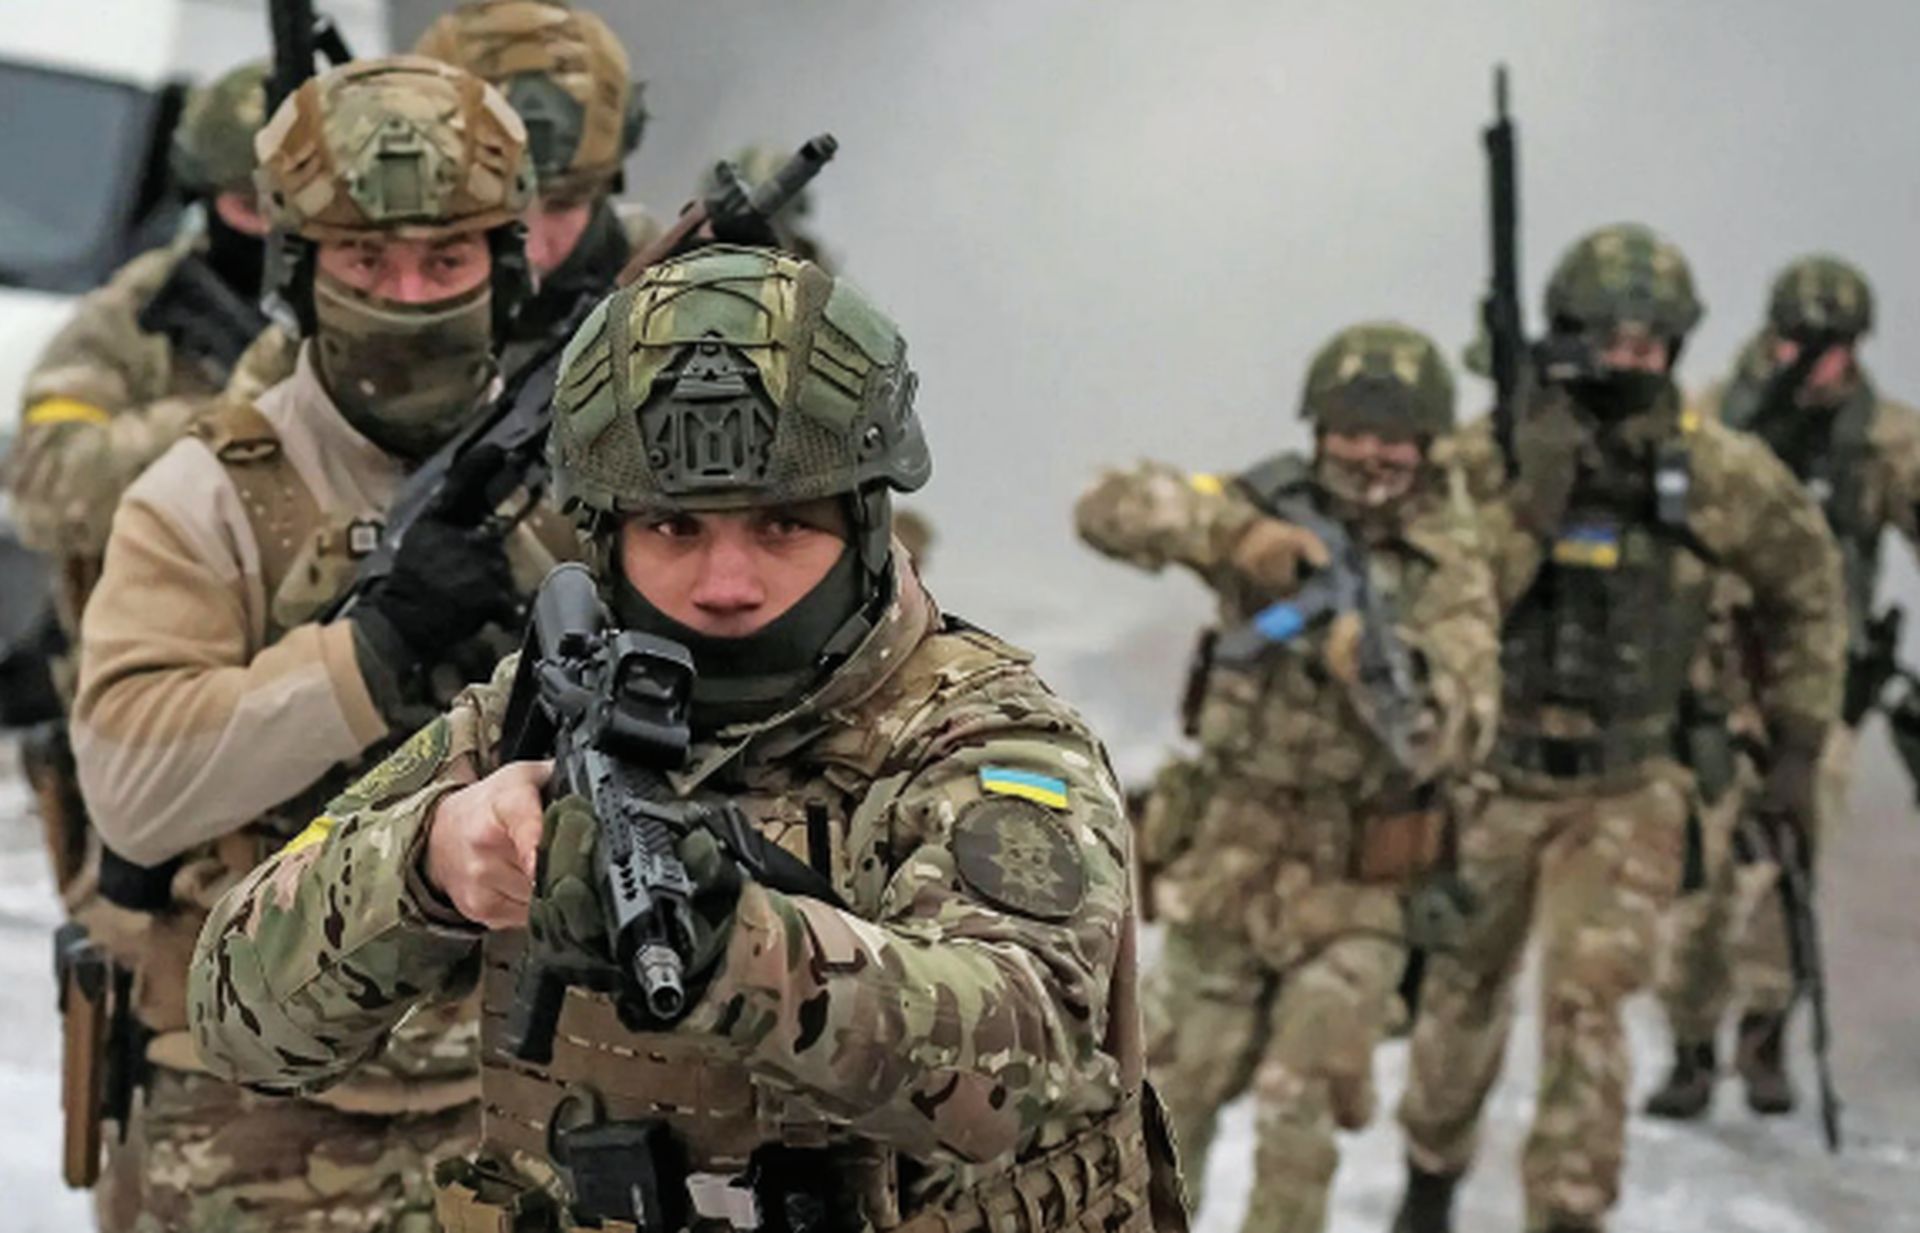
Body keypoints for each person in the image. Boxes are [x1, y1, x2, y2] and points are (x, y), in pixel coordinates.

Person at [188, 244, 1184, 1233]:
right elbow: (235, 1015)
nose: (726, 585)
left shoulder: (983, 737)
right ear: (605, 534)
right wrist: (430, 864)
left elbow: (1021, 1067)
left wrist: (738, 950)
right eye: (674, 529)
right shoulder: (533, 712)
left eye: (783, 526)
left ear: (866, 525)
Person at [67, 55, 555, 1231]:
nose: (407, 296)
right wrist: (367, 657)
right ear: (300, 269)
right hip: (252, 1105)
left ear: (504, 266)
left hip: (514, 1085)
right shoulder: (207, 494)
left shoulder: (574, 468)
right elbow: (131, 791)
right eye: (365, 262)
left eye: (446, 262)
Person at [1392, 224, 1846, 1233]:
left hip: (1629, 782)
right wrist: (1529, 506)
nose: (1632, 361)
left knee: (1589, 1005)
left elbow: (1808, 583)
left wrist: (1798, 741)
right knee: (1460, 995)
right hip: (1493, 777)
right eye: (1612, 340)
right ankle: (1430, 1175)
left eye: (1653, 344)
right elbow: (1436, 595)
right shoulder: (1488, 457)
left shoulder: (1713, 469)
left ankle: (1569, 1211)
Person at [1076, 322, 1498, 1232]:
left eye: (1395, 439)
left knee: (1298, 1124)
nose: (1372, 456)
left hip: (1356, 886)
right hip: (1230, 861)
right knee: (1160, 1106)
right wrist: (1239, 535)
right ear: (1319, 430)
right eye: (1353, 432)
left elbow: (1461, 724)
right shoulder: (1268, 500)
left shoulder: (1450, 566)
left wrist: (1379, 669)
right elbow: (1109, 505)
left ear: (1428, 444)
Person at [1646, 253, 1920, 1119]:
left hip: (1823, 686)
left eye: (1837, 347)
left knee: (1790, 862)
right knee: (1700, 869)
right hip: (1710, 683)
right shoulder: (1709, 421)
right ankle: (1690, 1040)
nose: (1820, 364)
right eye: (1802, 342)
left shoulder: (1885, 442)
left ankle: (1764, 1031)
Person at [4, 61, 289, 893]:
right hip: (149, 722)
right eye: (247, 208)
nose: (270, 235)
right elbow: (50, 484)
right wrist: (232, 419)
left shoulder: (362, 305)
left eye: (290, 211)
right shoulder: (134, 319)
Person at [414, 0, 657, 372]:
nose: (534, 251)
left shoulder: (664, 289)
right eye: (500, 208)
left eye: (563, 204)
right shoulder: (376, 301)